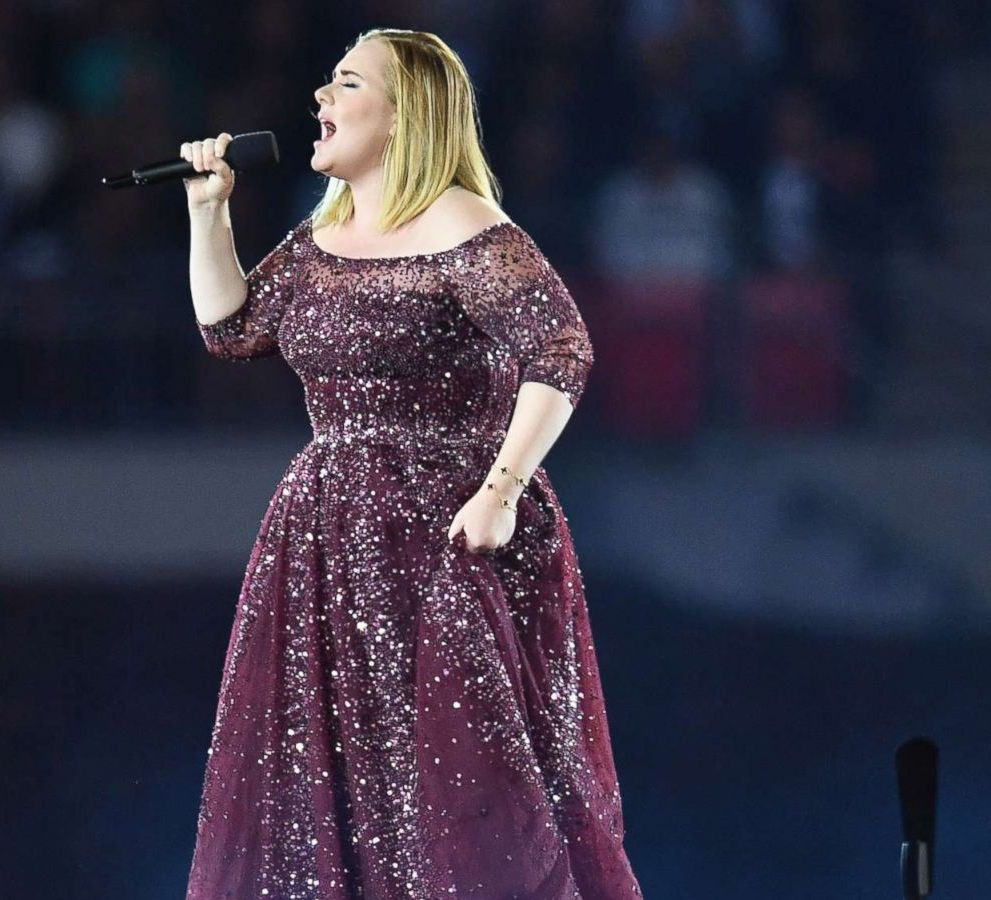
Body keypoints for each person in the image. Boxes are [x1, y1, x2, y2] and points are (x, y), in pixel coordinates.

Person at [180, 28, 645, 899]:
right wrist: (210, 213)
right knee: (346, 786)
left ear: (404, 117)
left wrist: (501, 492)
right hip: (330, 543)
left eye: (346, 83)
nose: (320, 97)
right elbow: (231, 329)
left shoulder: (464, 223)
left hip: (446, 540)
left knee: (462, 780)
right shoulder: (322, 237)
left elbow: (561, 350)